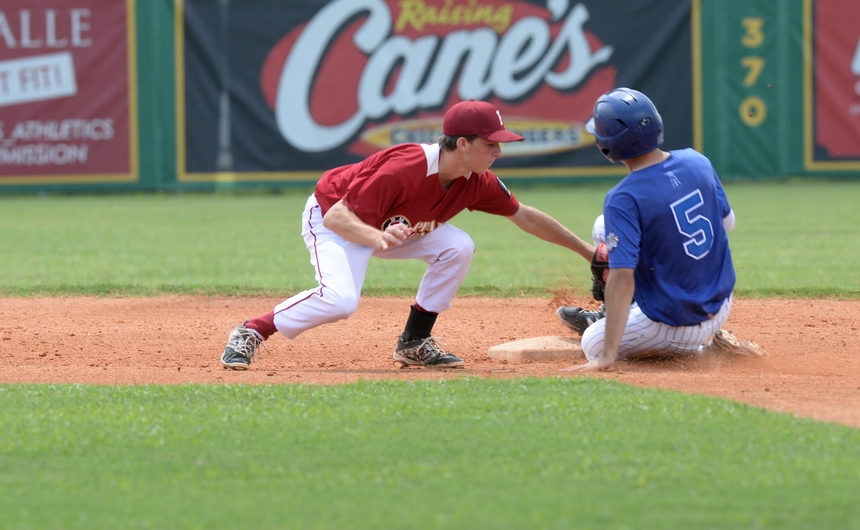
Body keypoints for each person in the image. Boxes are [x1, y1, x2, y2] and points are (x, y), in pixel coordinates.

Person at [221, 99, 596, 370]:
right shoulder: (405, 168)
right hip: (335, 219)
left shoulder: (477, 181)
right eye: (490, 143)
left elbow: (526, 217)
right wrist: (375, 239)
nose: (498, 151)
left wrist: (588, 252)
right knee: (340, 302)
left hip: (393, 229)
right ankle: (252, 331)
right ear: (461, 144)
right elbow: (338, 217)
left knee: (458, 246)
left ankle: (414, 343)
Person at [557, 87, 752, 372]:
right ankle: (703, 338)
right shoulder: (697, 160)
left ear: (606, 145)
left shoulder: (623, 197)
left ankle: (699, 352)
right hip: (720, 305)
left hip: (672, 326)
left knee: (591, 343)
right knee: (604, 229)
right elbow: (727, 224)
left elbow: (623, 278)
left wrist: (607, 356)